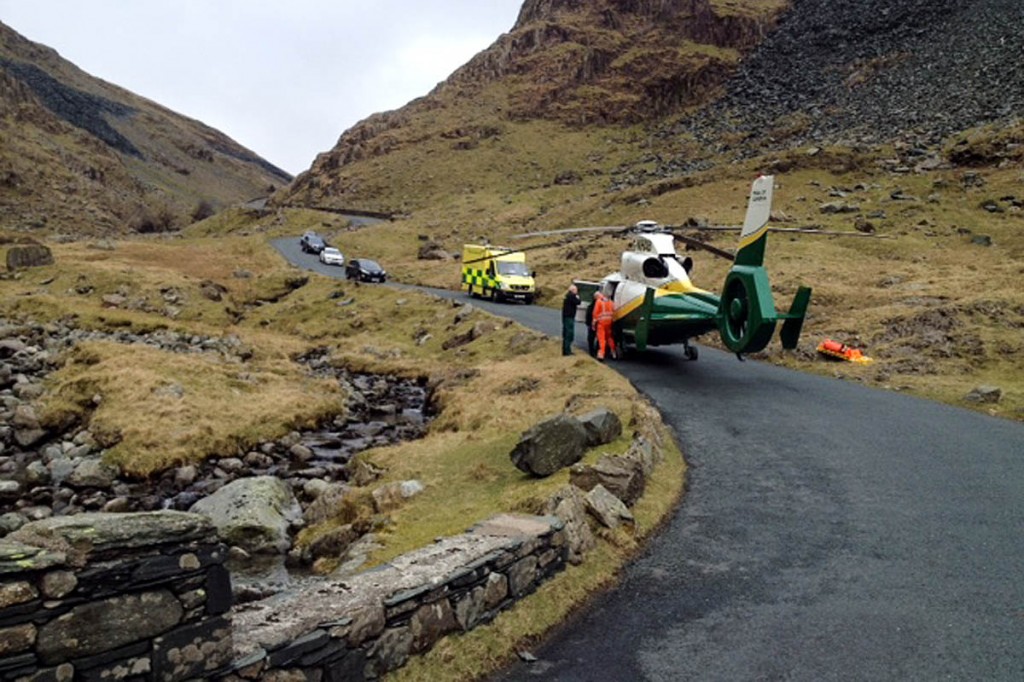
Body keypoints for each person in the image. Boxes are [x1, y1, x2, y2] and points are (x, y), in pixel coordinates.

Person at [592, 291, 617, 360]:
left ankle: (601, 354)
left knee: (601, 339)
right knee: (609, 337)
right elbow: (614, 312)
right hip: (609, 322)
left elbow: (595, 313)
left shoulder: (599, 302)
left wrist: (593, 323)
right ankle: (613, 351)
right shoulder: (611, 302)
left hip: (601, 323)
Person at [561, 284, 581, 356]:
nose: (577, 292)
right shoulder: (572, 296)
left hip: (566, 316)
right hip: (569, 317)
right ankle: (567, 351)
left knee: (566, 333)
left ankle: (565, 350)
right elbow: (578, 302)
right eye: (576, 290)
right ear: (572, 290)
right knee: (569, 334)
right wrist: (578, 297)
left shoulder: (567, 296)